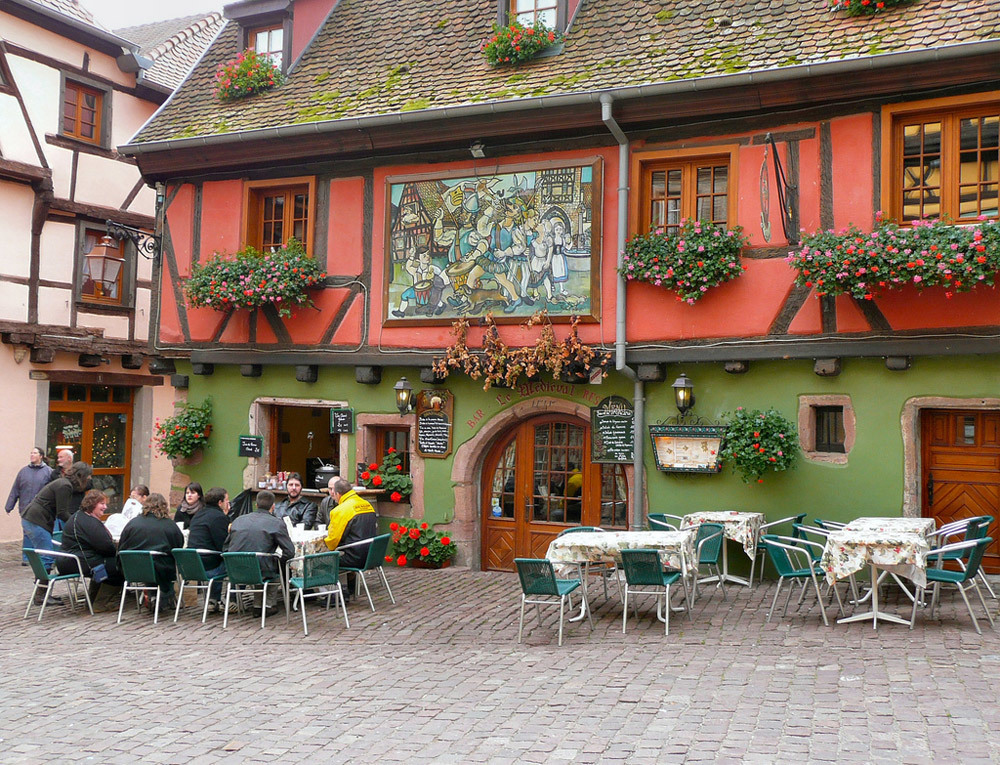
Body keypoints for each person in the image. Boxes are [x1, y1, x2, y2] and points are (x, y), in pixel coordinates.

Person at [224, 490, 294, 614]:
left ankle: (258, 605)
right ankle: (268, 605)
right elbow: (289, 552)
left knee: (261, 562)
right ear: (273, 507)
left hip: (236, 570)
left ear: (256, 505)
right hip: (262, 569)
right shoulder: (276, 523)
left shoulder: (238, 520)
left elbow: (226, 546)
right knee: (274, 566)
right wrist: (280, 562)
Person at [119, 493, 184, 611]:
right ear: (164, 507)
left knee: (152, 564)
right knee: (163, 562)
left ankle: (155, 596)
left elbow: (121, 546)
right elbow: (178, 546)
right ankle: (165, 596)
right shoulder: (169, 525)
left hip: (133, 570)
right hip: (161, 570)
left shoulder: (133, 523)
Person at [22, 461, 92, 569]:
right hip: (36, 519)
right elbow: (62, 513)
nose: (89, 479)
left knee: (46, 555)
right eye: (88, 477)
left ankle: (42, 583)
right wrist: (78, 524)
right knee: (47, 556)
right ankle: (42, 584)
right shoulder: (65, 486)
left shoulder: (63, 483)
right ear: (81, 476)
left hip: (32, 518)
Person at [57, 489, 124, 600]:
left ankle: (94, 597)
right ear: (92, 504)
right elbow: (107, 548)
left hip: (67, 561)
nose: (105, 507)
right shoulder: (90, 523)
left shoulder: (78, 516)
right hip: (77, 562)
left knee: (108, 562)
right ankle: (102, 602)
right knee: (119, 565)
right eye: (102, 504)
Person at [323, 478, 377, 597]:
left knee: (322, 559)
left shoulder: (340, 510)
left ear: (338, 494)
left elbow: (332, 543)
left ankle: (331, 595)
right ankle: (345, 589)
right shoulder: (367, 504)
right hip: (371, 556)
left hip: (354, 558)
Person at [6, 447, 53, 565]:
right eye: (31, 453)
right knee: (27, 533)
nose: (32, 455)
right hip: (25, 508)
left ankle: (42, 557)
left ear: (41, 456)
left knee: (39, 533)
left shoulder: (48, 472)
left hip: (41, 510)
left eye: (35, 453)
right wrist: (9, 505)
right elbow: (15, 489)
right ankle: (27, 558)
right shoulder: (23, 471)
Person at [187, 486, 231, 610]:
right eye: (227, 500)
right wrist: (226, 518)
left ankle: (213, 600)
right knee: (239, 564)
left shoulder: (198, 515)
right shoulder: (218, 517)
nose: (229, 503)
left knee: (217, 558)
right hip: (209, 567)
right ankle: (232, 600)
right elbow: (223, 545)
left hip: (193, 565)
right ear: (220, 502)